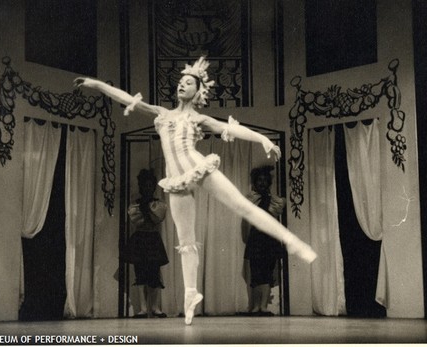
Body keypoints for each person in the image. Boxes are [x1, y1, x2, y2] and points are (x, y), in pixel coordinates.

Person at [74, 56, 317, 325]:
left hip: (198, 166)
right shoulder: (161, 113)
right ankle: (191, 294)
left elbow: (229, 128)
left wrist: (262, 139)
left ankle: (292, 242)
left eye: (188, 82)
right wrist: (96, 84)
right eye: (180, 81)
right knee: (186, 241)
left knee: (242, 205)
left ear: (198, 91)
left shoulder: (199, 118)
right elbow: (126, 97)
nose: (181, 85)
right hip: (176, 178)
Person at [123, 169, 168, 318]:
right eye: (145, 185)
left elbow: (157, 218)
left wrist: (147, 210)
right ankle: (142, 308)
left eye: (150, 186)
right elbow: (136, 220)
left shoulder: (158, 204)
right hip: (140, 239)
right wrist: (144, 210)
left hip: (153, 239)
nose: (148, 188)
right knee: (140, 273)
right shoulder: (134, 205)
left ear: (154, 187)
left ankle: (155, 308)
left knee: (154, 273)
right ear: (141, 187)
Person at [242, 166, 285, 316]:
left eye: (264, 180)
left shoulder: (273, 200)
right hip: (255, 239)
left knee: (267, 272)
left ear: (268, 183)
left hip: (268, 240)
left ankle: (263, 306)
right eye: (259, 180)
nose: (261, 183)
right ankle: (254, 306)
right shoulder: (250, 199)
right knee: (255, 273)